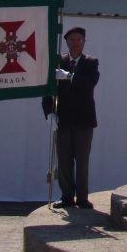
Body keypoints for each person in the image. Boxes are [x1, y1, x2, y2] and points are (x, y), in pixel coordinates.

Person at [42, 26, 100, 210]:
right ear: (66, 42)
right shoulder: (58, 61)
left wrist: (70, 76)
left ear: (84, 42)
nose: (75, 43)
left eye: (79, 40)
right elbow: (48, 89)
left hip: (84, 120)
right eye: (72, 40)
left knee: (82, 160)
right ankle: (67, 195)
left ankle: (82, 197)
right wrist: (49, 113)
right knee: (64, 160)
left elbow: (89, 83)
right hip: (63, 119)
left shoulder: (90, 62)